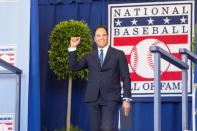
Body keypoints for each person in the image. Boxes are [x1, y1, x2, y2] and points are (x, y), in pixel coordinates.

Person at [68, 26, 131, 131]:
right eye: (98, 35)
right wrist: (73, 48)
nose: (101, 38)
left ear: (107, 37)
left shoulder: (118, 54)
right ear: (94, 39)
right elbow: (73, 67)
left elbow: (126, 77)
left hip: (111, 98)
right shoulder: (89, 56)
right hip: (93, 98)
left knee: (107, 127)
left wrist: (126, 99)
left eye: (103, 35)